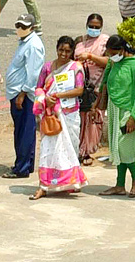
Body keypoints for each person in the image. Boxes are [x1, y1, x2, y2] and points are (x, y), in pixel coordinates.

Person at [98, 34, 135, 197]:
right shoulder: (114, 62)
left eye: (112, 53)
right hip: (115, 109)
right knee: (117, 147)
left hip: (130, 111)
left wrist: (133, 117)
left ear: (122, 50)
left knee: (124, 147)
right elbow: (105, 82)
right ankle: (119, 184)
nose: (110, 56)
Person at [30, 34, 88, 199]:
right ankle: (44, 184)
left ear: (71, 52)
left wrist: (58, 94)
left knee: (70, 148)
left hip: (69, 113)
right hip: (51, 115)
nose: (64, 54)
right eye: (61, 50)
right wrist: (45, 98)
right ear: (56, 49)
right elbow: (38, 88)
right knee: (48, 150)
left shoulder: (76, 67)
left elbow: (79, 90)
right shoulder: (48, 67)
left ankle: (69, 182)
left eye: (67, 51)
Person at [1, 13, 45, 179]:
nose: (20, 29)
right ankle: (26, 164)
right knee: (23, 129)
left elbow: (33, 73)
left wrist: (22, 93)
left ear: (32, 28)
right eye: (18, 26)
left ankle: (21, 167)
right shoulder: (25, 42)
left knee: (24, 130)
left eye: (24, 27)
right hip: (17, 92)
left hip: (23, 95)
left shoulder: (33, 45)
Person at [74, 12, 108, 165]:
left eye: (97, 27)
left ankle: (88, 151)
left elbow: (109, 61)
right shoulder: (79, 41)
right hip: (79, 86)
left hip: (97, 87)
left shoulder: (105, 42)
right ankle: (77, 150)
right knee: (79, 119)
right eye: (91, 26)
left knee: (92, 120)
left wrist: (90, 57)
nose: (94, 29)